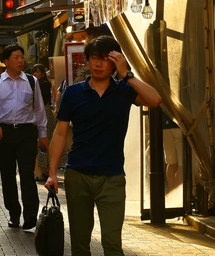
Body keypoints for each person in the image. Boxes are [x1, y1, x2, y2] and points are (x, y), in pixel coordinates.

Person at [47, 35, 162, 256]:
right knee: (79, 244)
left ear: (115, 61)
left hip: (112, 177)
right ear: (87, 61)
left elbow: (155, 99)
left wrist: (126, 74)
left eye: (104, 59)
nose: (98, 64)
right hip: (78, 174)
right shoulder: (73, 93)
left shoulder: (124, 90)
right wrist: (52, 172)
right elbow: (60, 133)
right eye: (94, 58)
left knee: (112, 244)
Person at [0, 43, 48, 231]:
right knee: (8, 176)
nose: (21, 60)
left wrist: (43, 134)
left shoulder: (31, 81)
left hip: (27, 132)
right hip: (4, 133)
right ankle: (13, 213)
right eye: (16, 57)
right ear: (6, 62)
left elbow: (39, 109)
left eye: (22, 56)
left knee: (27, 174)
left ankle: (30, 216)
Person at [31, 63, 55, 182]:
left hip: (42, 114)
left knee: (44, 142)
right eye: (34, 72)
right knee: (42, 143)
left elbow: (43, 102)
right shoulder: (36, 84)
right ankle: (42, 170)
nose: (36, 74)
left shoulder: (43, 84)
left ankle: (42, 170)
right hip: (41, 114)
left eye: (39, 71)